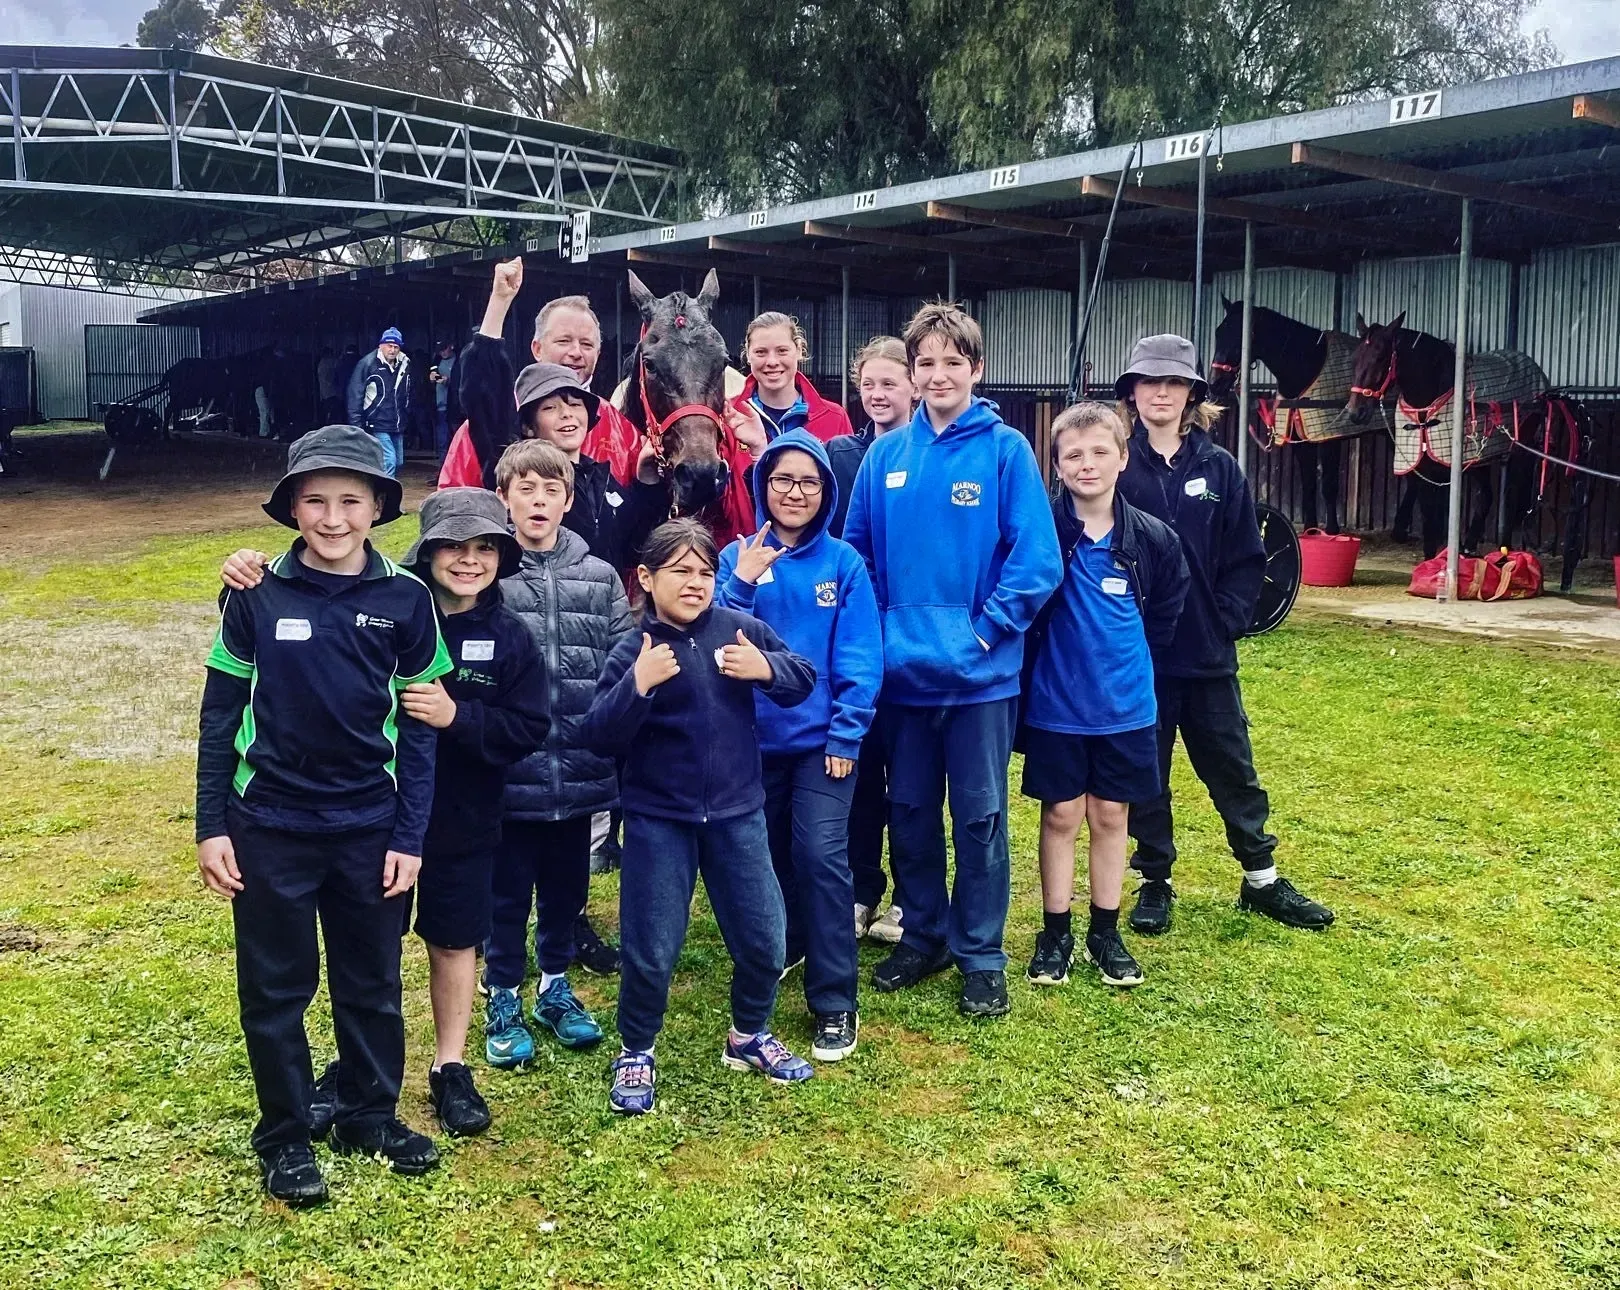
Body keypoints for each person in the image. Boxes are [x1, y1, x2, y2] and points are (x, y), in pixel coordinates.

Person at [217, 487, 555, 1138]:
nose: (467, 561)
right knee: (368, 951)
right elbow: (291, 635)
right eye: (452, 547)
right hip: (376, 816)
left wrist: (461, 717)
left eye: (484, 548)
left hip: (463, 815)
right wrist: (238, 575)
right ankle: (357, 1069)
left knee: (455, 937)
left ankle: (450, 1065)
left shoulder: (510, 637)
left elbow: (528, 726)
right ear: (425, 554)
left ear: (503, 558)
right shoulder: (392, 602)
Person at [194, 425, 450, 1207]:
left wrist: (409, 836)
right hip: (268, 823)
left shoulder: (408, 599)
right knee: (277, 989)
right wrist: (212, 825)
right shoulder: (255, 594)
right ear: (291, 508)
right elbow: (218, 715)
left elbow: (418, 730)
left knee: (370, 983)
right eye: (315, 500)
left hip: (369, 829)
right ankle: (285, 1135)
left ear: (378, 507)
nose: (333, 518)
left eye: (350, 500)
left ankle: (369, 1115)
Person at [843, 303, 1062, 1019]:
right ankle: (924, 933)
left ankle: (981, 952)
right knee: (907, 812)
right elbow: (858, 558)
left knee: (979, 819)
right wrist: (878, 636)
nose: (938, 375)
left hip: (980, 679)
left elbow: (1035, 561)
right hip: (903, 681)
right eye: (926, 363)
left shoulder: (1005, 452)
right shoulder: (884, 457)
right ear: (912, 374)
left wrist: (983, 633)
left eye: (951, 362)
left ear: (977, 370)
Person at [583, 519, 817, 1114]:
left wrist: (765, 669)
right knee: (652, 948)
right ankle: (636, 1048)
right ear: (646, 577)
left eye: (705, 572)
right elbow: (597, 735)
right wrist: (637, 685)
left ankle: (748, 1035)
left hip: (739, 813)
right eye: (680, 571)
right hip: (660, 818)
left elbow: (802, 679)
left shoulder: (740, 630)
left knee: (766, 938)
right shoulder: (633, 649)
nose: (695, 583)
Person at [1113, 334, 1335, 935]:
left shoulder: (1220, 468)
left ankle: (1261, 878)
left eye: (1173, 382)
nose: (1161, 392)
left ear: (1191, 393)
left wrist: (1228, 618)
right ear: (1131, 391)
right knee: (1146, 774)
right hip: (1139, 658)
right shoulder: (1113, 463)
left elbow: (1247, 555)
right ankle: (1153, 880)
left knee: (1231, 765)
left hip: (1208, 656)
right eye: (1149, 381)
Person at [715, 429, 882, 1062]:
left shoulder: (843, 563)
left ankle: (835, 1000)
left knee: (820, 856)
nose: (794, 493)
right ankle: (777, 951)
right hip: (750, 744)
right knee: (761, 860)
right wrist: (743, 583)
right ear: (763, 486)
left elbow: (860, 655)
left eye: (808, 483)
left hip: (821, 744)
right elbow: (712, 639)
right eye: (782, 480)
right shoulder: (736, 558)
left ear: (825, 493)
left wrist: (846, 731)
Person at [1018, 402, 1188, 989]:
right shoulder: (1040, 533)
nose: (1086, 464)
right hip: (1055, 706)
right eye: (1072, 455)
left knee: (1112, 814)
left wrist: (1133, 665)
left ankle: (1105, 931)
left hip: (1126, 707)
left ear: (1122, 457)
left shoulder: (1154, 540)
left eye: (1098, 452)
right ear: (1057, 466)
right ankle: (1056, 931)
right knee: (1062, 813)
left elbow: (1166, 614)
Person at [484, 440, 635, 1063]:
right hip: (508, 773)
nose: (539, 501)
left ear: (570, 501)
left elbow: (626, 658)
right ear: (504, 499)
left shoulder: (599, 578)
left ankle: (554, 985)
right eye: (526, 490)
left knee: (567, 888)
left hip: (579, 770)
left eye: (551, 491)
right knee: (507, 889)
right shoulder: (484, 572)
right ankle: (501, 991)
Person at [449, 263, 664, 570]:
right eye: (564, 341)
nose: (576, 352)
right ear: (536, 347)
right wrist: (498, 304)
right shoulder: (503, 436)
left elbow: (635, 532)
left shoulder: (617, 430)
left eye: (587, 344)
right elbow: (481, 390)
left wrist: (648, 481)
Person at [825, 336, 915, 944]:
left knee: (909, 780)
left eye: (889, 383)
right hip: (857, 635)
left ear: (913, 385)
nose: (878, 395)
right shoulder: (841, 453)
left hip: (910, 642)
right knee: (859, 771)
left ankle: (909, 899)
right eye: (868, 384)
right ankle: (861, 889)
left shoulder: (930, 455)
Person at [726, 313, 854, 459]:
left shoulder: (834, 418)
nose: (772, 361)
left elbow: (845, 478)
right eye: (761, 352)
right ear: (748, 354)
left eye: (782, 351)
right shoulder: (728, 416)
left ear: (799, 350)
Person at [347, 327, 412, 478]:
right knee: (389, 461)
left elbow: (408, 392)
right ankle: (387, 497)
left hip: (397, 422)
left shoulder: (404, 363)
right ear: (380, 345)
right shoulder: (367, 364)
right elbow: (355, 394)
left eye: (396, 346)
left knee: (398, 462)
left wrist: (407, 413)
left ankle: (380, 489)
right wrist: (357, 424)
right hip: (376, 421)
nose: (393, 350)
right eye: (389, 345)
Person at [428, 341, 458, 461]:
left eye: (444, 349)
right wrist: (432, 379)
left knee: (456, 439)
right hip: (440, 406)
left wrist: (449, 381)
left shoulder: (459, 361)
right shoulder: (436, 360)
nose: (442, 352)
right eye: (440, 350)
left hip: (455, 407)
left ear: (451, 346)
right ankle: (442, 469)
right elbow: (431, 378)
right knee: (442, 441)